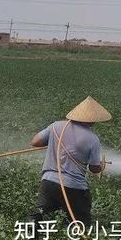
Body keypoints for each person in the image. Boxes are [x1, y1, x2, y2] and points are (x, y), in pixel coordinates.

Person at [28, 96, 110, 226]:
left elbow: (35, 142)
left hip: (49, 182)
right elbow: (94, 169)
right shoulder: (92, 139)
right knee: (81, 224)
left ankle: (30, 237)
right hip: (74, 187)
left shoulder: (56, 126)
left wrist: (53, 141)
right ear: (92, 120)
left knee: (37, 218)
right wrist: (101, 166)